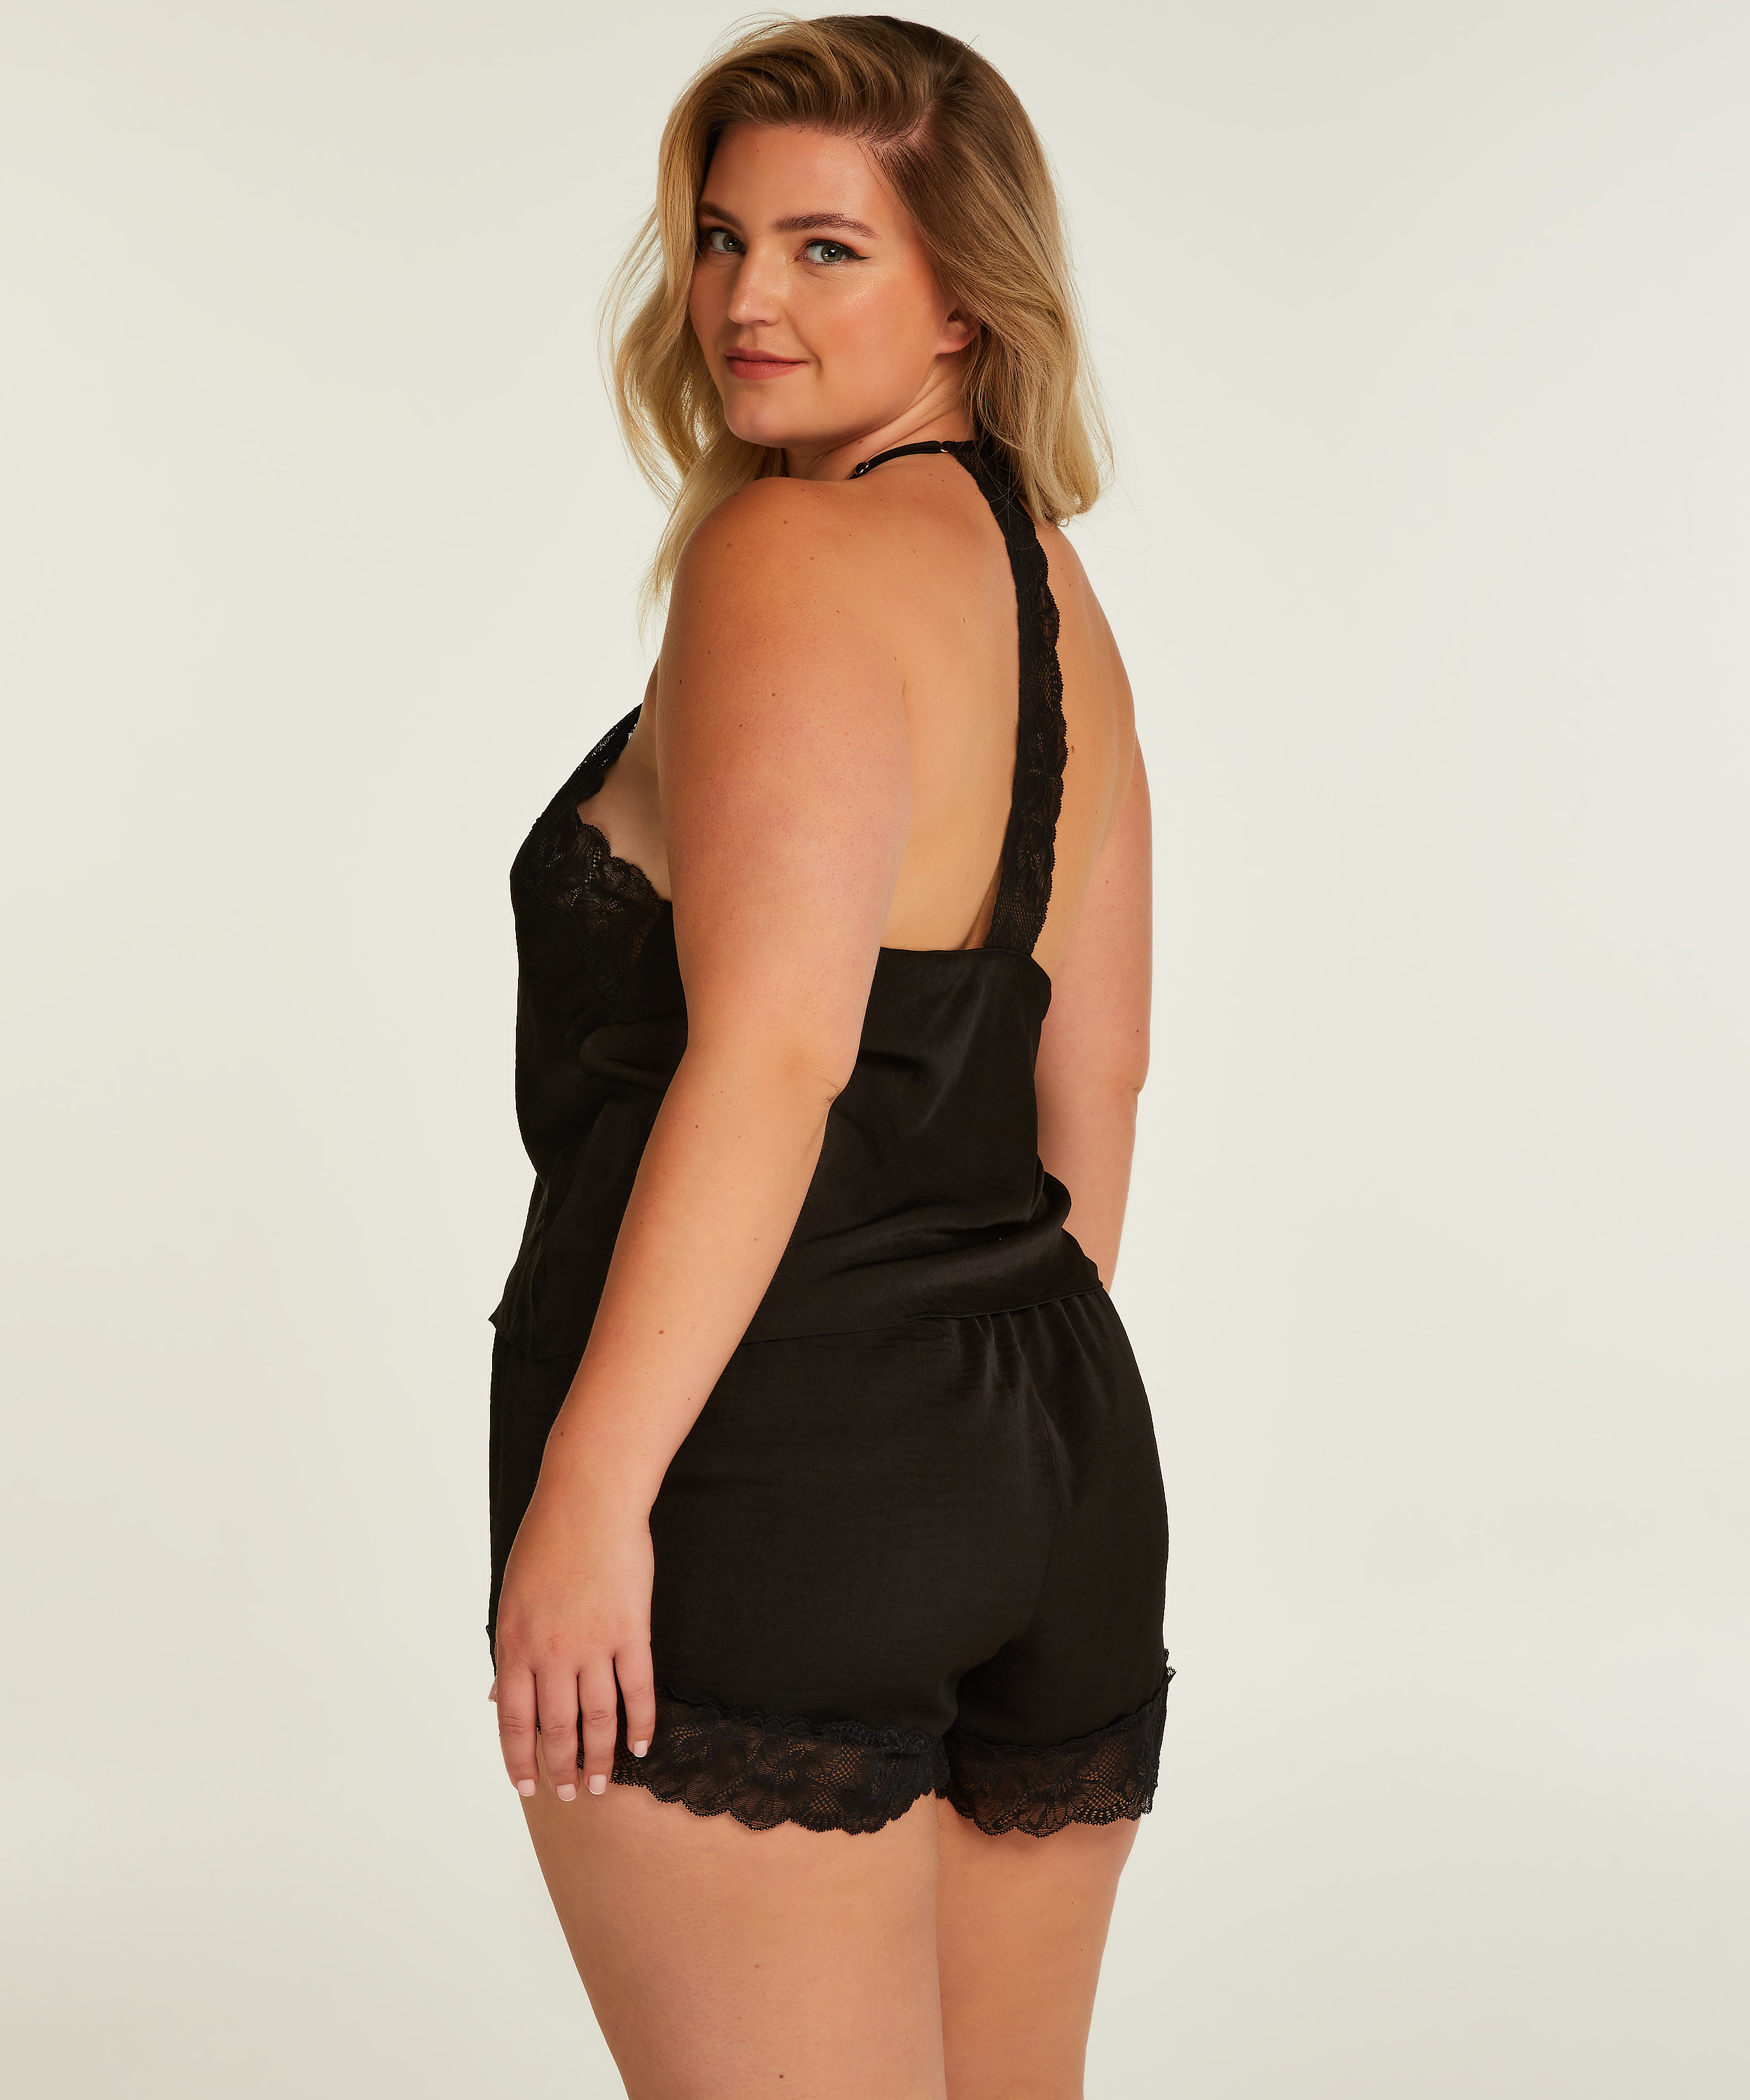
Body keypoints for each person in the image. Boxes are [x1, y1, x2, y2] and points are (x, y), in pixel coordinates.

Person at [486, 16, 1170, 2095]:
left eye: (824, 248)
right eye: (720, 238)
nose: (744, 300)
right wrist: (979, 1448)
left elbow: (776, 1053)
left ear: (966, 295)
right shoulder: (1050, 593)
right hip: (1049, 1447)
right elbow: (1099, 1074)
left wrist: (591, 1496)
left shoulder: (783, 553)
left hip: (767, 1467)